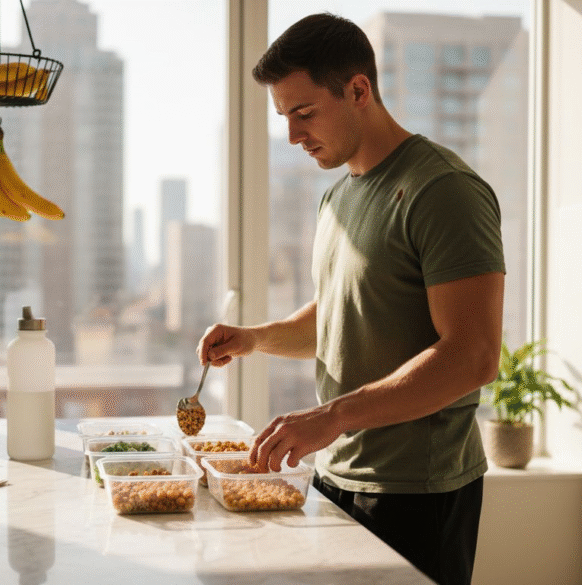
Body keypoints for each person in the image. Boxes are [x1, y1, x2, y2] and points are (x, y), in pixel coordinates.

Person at [196, 12, 506, 585]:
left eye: (304, 112)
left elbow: (474, 355)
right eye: (284, 117)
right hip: (336, 478)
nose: (292, 135)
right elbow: (341, 315)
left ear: (358, 89)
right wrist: (256, 338)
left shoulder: (443, 191)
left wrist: (331, 417)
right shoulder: (338, 197)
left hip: (418, 491)